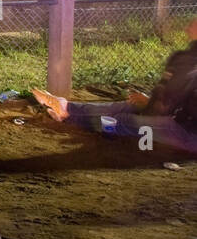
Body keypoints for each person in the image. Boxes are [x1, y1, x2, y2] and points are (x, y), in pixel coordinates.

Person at [31, 20, 197, 153]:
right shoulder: (190, 57)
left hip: (187, 132)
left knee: (122, 121)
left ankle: (67, 117)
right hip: (179, 116)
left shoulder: (190, 62)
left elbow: (179, 102)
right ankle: (67, 107)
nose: (188, 28)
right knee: (127, 106)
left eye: (193, 25)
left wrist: (152, 104)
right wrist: (150, 102)